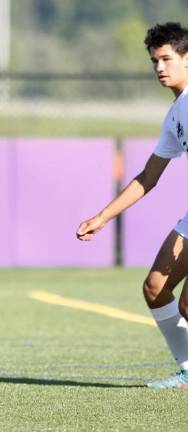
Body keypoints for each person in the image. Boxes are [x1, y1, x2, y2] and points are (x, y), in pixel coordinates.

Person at [77, 22, 188, 388]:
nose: (159, 67)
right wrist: (102, 217)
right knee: (155, 288)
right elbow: (147, 178)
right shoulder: (175, 115)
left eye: (167, 59)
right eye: (155, 60)